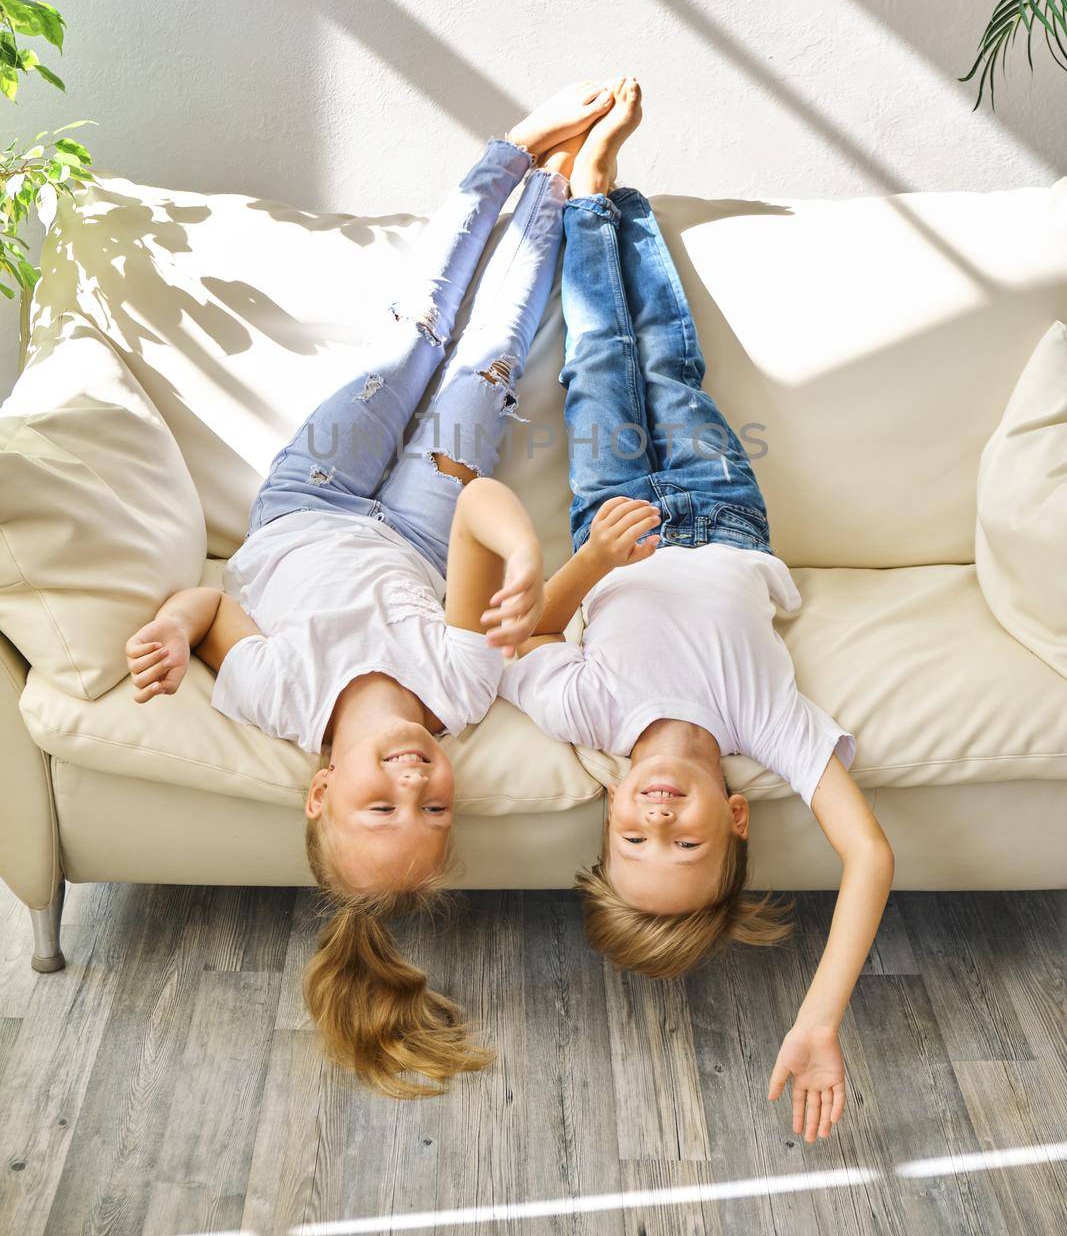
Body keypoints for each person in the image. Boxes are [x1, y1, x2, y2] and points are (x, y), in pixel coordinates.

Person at [123, 81, 618, 1097]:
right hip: (419, 525)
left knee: (421, 333)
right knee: (485, 365)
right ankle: (554, 195)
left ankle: (509, 155)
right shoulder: (458, 689)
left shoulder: (277, 697)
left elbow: (213, 606)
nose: (416, 787)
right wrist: (524, 558)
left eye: (376, 806)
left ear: (319, 790)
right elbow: (478, 503)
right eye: (431, 814)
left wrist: (174, 630)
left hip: (310, 496)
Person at [494, 77, 895, 1144]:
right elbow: (867, 858)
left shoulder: (592, 716)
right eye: (680, 845)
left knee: (596, 361)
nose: (658, 821)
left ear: (613, 804)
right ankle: (620, 202)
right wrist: (816, 1018)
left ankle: (584, 194)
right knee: (666, 361)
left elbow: (526, 637)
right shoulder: (766, 731)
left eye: (631, 834)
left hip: (610, 513)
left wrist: (587, 562)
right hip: (721, 512)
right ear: (732, 821)